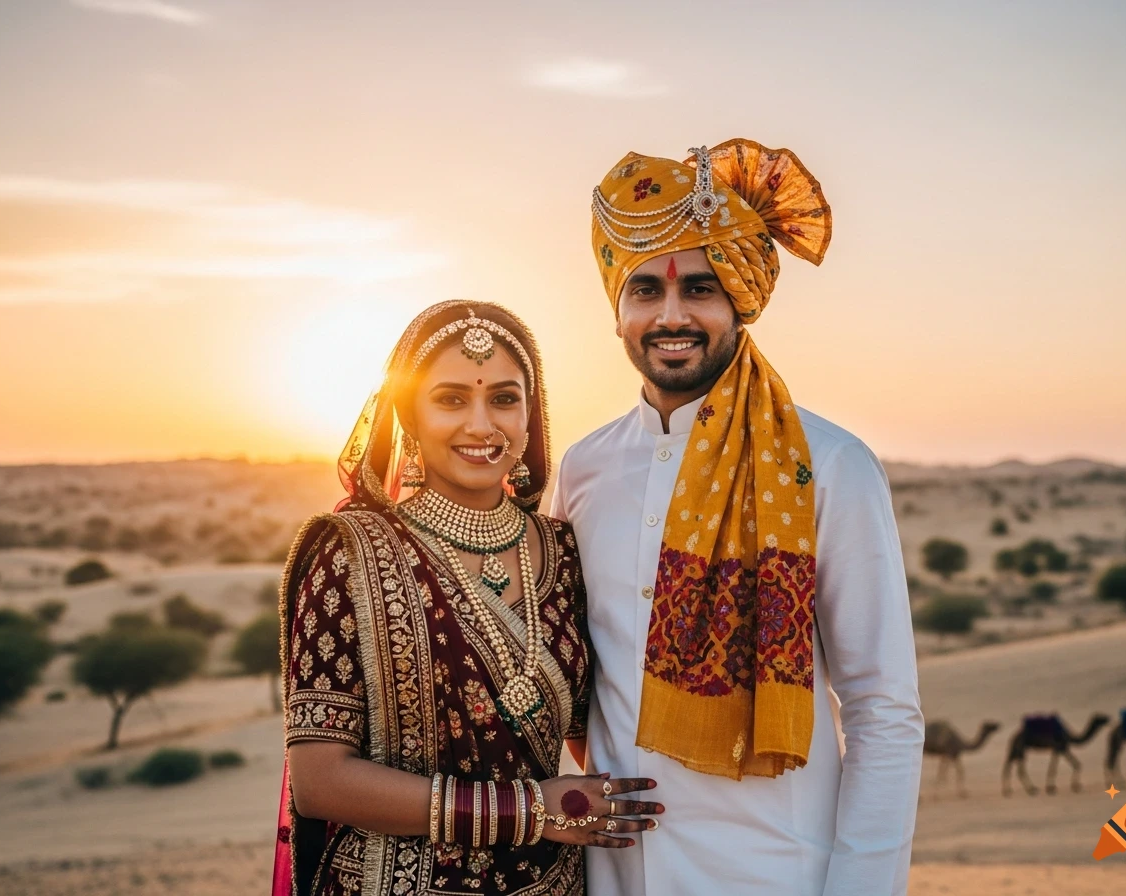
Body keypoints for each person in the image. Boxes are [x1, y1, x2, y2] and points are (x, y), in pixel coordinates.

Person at [551, 140, 925, 896]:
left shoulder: (828, 465)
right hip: (615, 876)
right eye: (645, 292)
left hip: (775, 872)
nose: (672, 315)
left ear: (739, 300)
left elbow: (883, 711)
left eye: (700, 287)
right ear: (618, 310)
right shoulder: (584, 468)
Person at [273, 301, 662, 896]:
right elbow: (320, 782)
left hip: (554, 884)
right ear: (409, 415)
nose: (482, 426)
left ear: (530, 418)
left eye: (504, 399)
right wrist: (532, 810)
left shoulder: (566, 551)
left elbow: (598, 730)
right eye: (451, 399)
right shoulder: (349, 554)